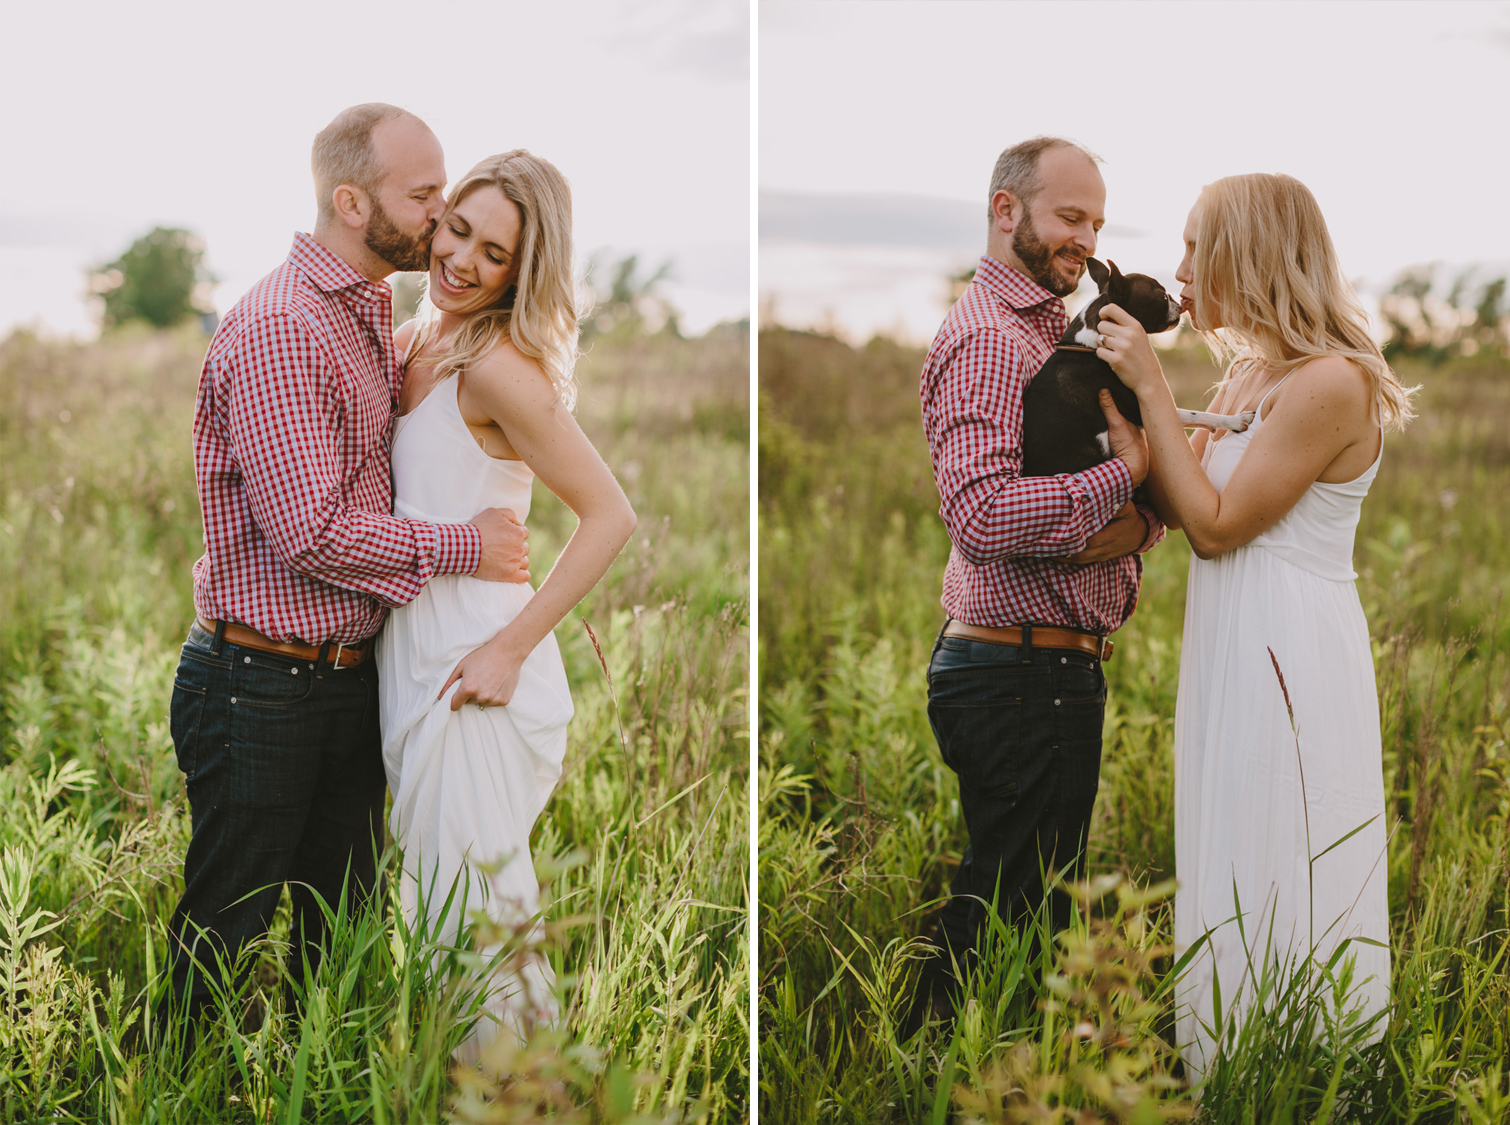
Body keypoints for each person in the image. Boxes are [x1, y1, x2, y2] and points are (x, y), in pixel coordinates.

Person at [163, 104, 530, 1029]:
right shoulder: (285, 327)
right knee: (223, 936)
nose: (442, 211)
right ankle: (167, 1081)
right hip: (259, 680)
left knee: (344, 938)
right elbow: (314, 533)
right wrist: (467, 546)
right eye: (424, 193)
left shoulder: (374, 310)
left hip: (346, 680)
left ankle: (315, 1089)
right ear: (352, 201)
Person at [1094, 173, 1410, 1078]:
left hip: (1291, 648)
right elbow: (1174, 489)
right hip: (1232, 636)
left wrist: (1154, 384)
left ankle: (1305, 1069)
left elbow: (1218, 524)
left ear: (1253, 253)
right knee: (1230, 832)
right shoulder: (1247, 373)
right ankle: (1227, 1060)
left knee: (1285, 834)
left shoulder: (1331, 383)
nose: (1181, 267)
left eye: (1199, 246)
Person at [378, 150, 636, 1063]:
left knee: (481, 918)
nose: (462, 261)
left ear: (520, 273)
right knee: (432, 913)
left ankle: (523, 1097)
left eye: (494, 254)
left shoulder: (497, 367)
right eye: (458, 231)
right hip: (410, 654)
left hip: (473, 665)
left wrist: (511, 651)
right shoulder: (413, 339)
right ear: (436, 219)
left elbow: (610, 515)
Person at [910, 136, 1163, 1033]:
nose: (1086, 241)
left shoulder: (1046, 332)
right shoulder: (986, 339)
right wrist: (1122, 476)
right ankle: (933, 1073)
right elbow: (981, 520)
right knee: (1008, 911)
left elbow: (1100, 504)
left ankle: (968, 1067)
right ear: (1006, 209)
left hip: (1039, 670)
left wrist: (1130, 513)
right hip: (1019, 674)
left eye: (1095, 222)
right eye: (1068, 217)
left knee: (1022, 902)